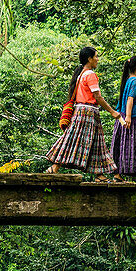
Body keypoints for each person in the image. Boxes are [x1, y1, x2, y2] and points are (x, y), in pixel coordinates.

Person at [46, 46, 123, 181]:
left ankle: (99, 175)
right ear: (89, 59)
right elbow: (97, 96)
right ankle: (55, 167)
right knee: (73, 139)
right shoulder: (90, 75)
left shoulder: (81, 74)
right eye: (96, 57)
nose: (97, 60)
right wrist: (112, 112)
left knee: (95, 142)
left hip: (84, 112)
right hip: (87, 112)